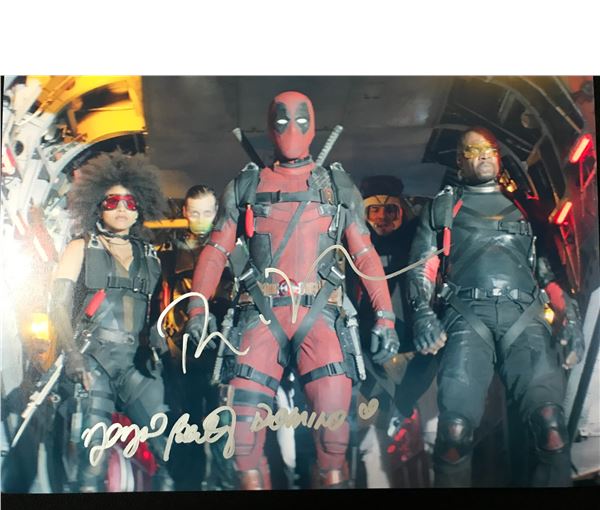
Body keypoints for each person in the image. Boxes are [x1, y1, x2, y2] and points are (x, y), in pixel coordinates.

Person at [185, 90, 399, 489]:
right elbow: (215, 251)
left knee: (333, 449)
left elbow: (365, 254)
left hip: (320, 317)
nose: (291, 129)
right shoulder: (246, 185)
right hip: (261, 317)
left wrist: (385, 316)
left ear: (313, 125)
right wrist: (197, 310)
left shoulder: (336, 185)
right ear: (270, 127)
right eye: (281, 121)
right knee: (243, 446)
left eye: (300, 120)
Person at [406, 127, 585, 487]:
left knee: (551, 427)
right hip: (466, 316)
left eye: (489, 149)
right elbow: (422, 268)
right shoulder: (443, 208)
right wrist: (422, 313)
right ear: (460, 162)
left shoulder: (525, 208)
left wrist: (568, 314)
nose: (484, 155)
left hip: (525, 314)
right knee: (454, 434)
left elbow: (544, 270)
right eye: (474, 151)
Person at [50, 150, 173, 492]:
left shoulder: (149, 256)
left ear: (140, 208)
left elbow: (154, 313)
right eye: (113, 201)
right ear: (98, 206)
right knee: (91, 463)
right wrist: (73, 355)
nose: (122, 208)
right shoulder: (80, 247)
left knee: (168, 450)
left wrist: (158, 345)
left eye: (130, 202)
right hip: (94, 362)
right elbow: (57, 306)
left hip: (135, 365)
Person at [350, 176, 435, 488]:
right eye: (374, 211)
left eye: (390, 211)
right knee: (376, 436)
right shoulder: (352, 244)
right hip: (370, 350)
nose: (382, 218)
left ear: (403, 211)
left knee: (427, 431)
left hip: (416, 347)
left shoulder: (417, 238)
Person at [157, 184, 234, 490]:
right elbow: (159, 299)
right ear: (185, 212)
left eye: (207, 212)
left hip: (222, 353)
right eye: (195, 212)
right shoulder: (169, 252)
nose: (201, 219)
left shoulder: (233, 251)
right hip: (181, 354)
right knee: (186, 425)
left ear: (216, 213)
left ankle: (224, 485)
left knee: (223, 427)